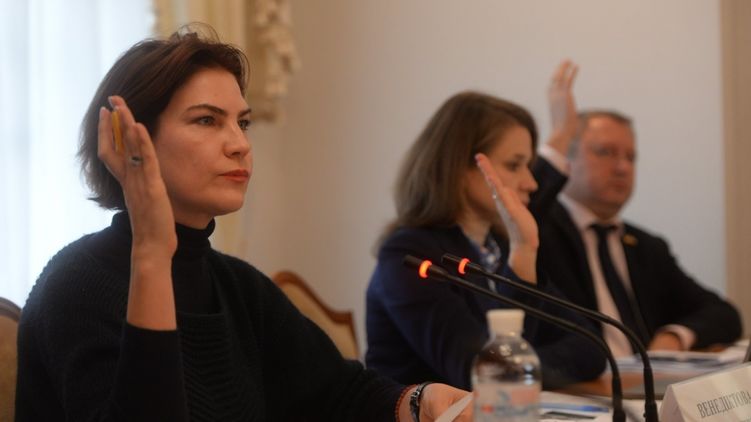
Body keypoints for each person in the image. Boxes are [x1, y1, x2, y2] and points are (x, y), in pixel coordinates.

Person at [15, 26, 471, 421]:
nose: (240, 145)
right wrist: (152, 251)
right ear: (130, 139)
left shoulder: (237, 286)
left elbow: (339, 394)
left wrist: (419, 401)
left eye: (243, 123)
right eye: (207, 120)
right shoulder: (77, 284)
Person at [365, 62, 608, 391]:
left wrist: (521, 365)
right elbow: (484, 376)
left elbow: (592, 347)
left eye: (529, 165)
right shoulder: (409, 255)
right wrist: (523, 253)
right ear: (461, 169)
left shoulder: (496, 248)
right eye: (515, 165)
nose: (531, 182)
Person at [538, 110, 742, 357]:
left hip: (646, 378)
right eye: (605, 152)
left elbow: (723, 314)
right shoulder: (538, 233)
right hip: (579, 377)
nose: (623, 167)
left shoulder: (645, 247)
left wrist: (674, 337)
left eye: (631, 157)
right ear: (566, 159)